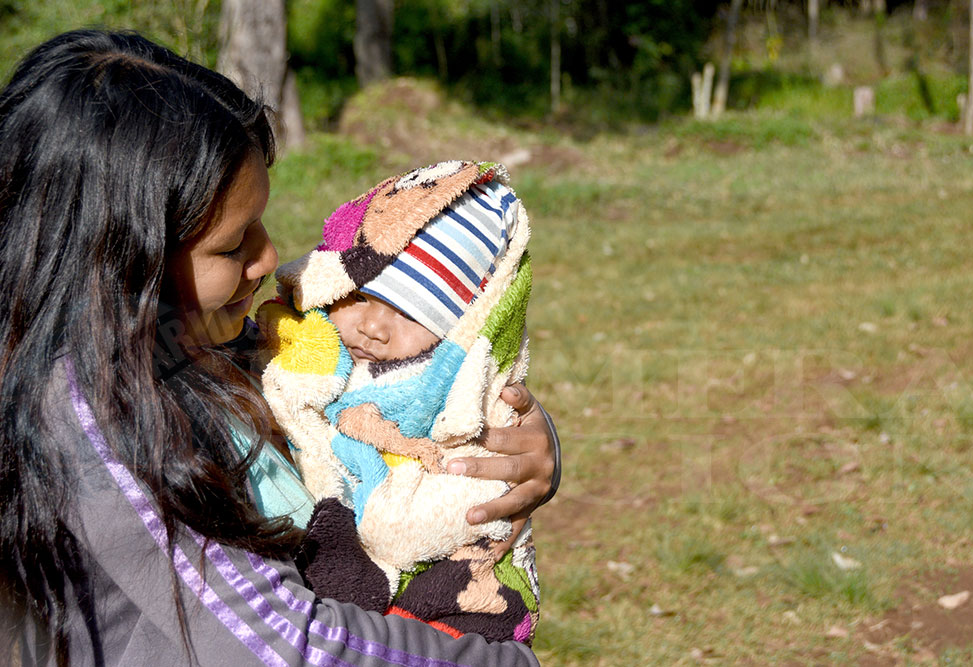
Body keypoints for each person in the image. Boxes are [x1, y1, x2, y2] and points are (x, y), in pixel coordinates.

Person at [0, 29, 557, 666]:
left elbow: (387, 387)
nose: (268, 258)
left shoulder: (182, 340)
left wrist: (522, 449)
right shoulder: (92, 430)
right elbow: (279, 641)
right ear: (123, 263)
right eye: (232, 246)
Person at [257, 160, 538, 644]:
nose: (373, 327)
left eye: (408, 314)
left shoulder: (454, 392)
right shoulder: (298, 341)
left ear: (458, 330)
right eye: (360, 297)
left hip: (433, 582)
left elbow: (483, 474)